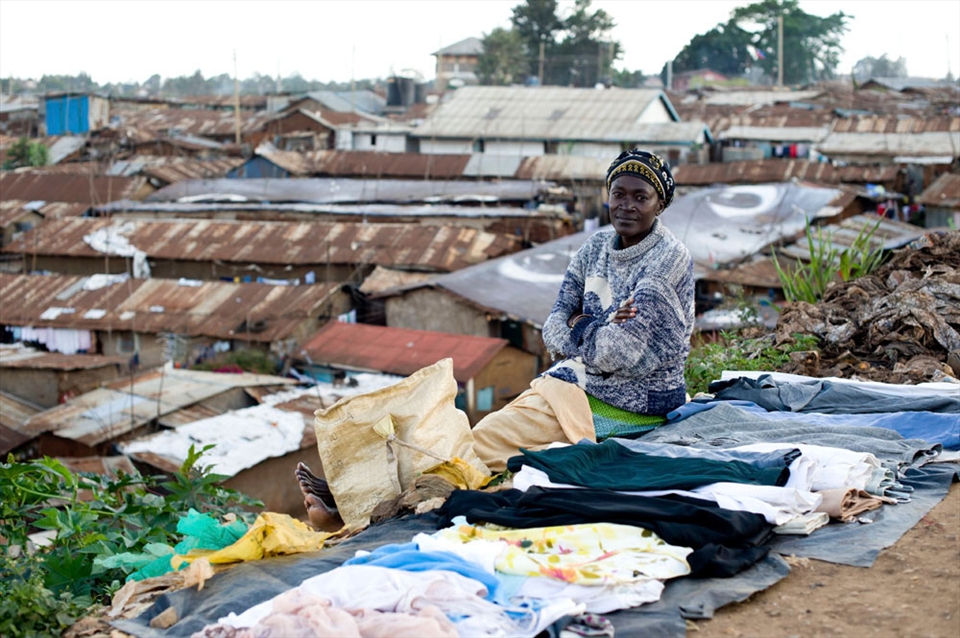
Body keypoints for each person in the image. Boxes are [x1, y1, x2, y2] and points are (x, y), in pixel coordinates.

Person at [470, 149, 696, 472]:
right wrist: (603, 326)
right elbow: (552, 327)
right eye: (618, 194)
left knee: (482, 444)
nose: (626, 206)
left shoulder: (668, 259)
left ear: (659, 205)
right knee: (488, 434)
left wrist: (581, 323)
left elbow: (621, 352)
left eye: (640, 197)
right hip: (580, 383)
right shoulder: (595, 247)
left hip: (638, 402)